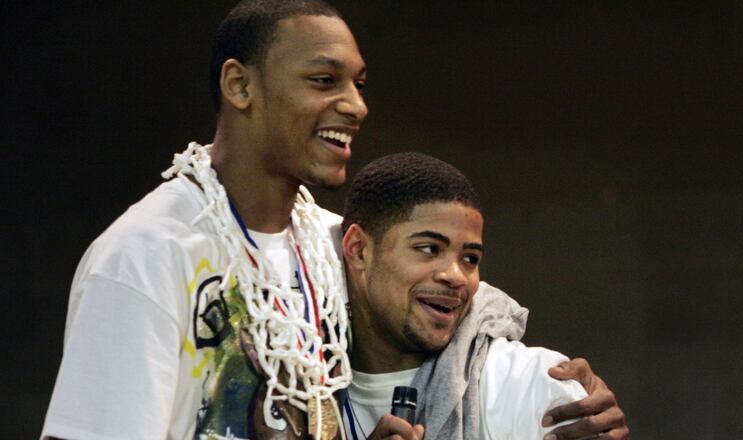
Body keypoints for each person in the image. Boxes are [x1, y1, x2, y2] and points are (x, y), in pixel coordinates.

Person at [42, 1, 623, 439]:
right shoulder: (145, 258)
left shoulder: (325, 243)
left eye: (358, 84)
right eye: (324, 81)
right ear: (240, 85)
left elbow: (454, 299)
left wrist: (558, 385)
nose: (356, 105)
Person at [340, 152, 629, 440]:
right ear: (358, 250)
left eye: (470, 258)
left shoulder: (533, 384)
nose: (456, 275)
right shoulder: (313, 390)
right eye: (429, 249)